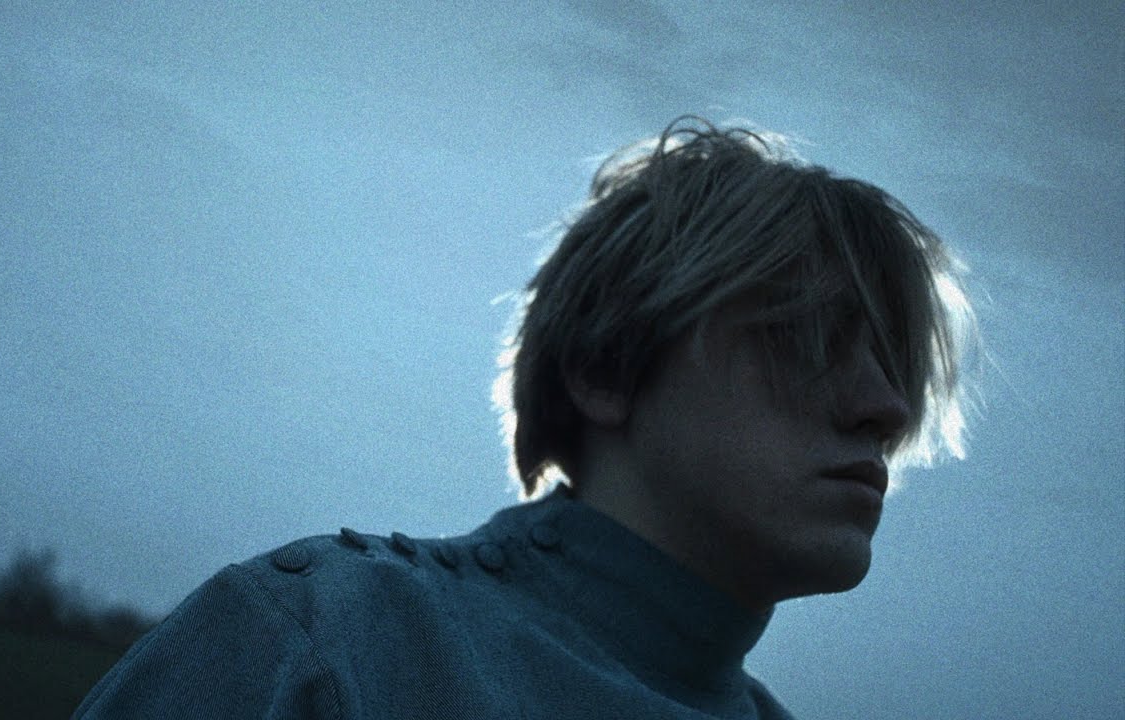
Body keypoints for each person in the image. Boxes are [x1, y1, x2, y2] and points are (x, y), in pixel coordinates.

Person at [75, 117, 976, 719]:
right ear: (607, 367)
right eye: (806, 337)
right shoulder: (323, 645)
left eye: (892, 361)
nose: (886, 407)